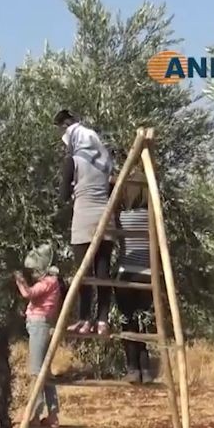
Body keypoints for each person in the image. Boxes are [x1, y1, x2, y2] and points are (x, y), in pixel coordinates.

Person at [55, 109, 115, 335]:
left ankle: (84, 319)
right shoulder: (105, 162)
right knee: (103, 271)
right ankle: (103, 320)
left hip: (83, 218)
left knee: (83, 272)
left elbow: (62, 196)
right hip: (105, 219)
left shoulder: (73, 160)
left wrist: (71, 189)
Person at [14, 244, 63, 428]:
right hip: (39, 325)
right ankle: (53, 415)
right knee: (44, 373)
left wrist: (19, 280)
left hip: (39, 326)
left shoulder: (48, 282)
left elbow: (28, 293)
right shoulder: (51, 281)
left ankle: (35, 414)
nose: (33, 274)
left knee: (37, 372)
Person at [114, 185, 156, 383]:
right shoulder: (153, 217)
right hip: (148, 276)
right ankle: (146, 370)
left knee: (127, 321)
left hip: (126, 274)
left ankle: (132, 369)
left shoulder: (122, 217)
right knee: (143, 321)